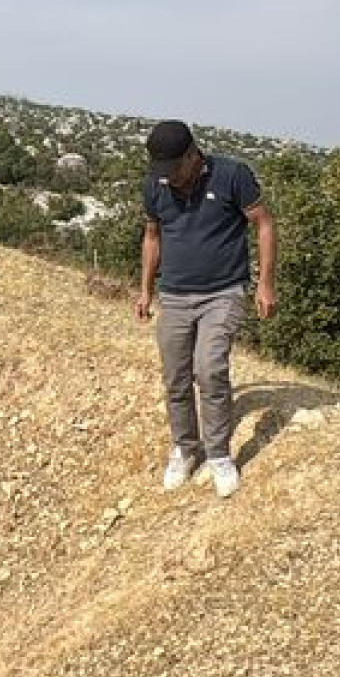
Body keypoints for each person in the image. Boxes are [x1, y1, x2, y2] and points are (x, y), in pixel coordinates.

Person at [133, 119, 278, 497]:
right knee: (176, 378)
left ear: (192, 155)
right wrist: (145, 291)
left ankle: (218, 454)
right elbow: (152, 236)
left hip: (224, 292)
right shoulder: (156, 186)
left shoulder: (233, 176)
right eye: (161, 172)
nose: (169, 179)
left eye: (174, 169)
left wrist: (265, 283)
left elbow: (263, 223)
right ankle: (184, 448)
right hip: (175, 295)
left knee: (210, 369)